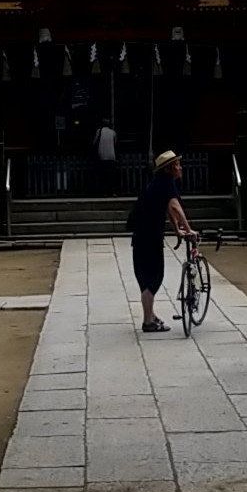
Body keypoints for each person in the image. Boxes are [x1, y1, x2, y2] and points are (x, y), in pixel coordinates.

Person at [131, 150, 197, 332]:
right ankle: (148, 322)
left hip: (141, 235)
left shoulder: (156, 183)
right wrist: (188, 229)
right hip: (150, 236)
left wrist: (178, 230)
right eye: (177, 165)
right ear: (170, 168)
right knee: (153, 277)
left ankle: (150, 315)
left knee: (146, 278)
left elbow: (167, 210)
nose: (180, 168)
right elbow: (175, 206)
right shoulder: (167, 183)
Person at [93, 118, 118, 196]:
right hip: (111, 155)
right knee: (111, 175)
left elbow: (94, 142)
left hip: (102, 155)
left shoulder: (99, 131)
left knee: (103, 175)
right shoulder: (113, 132)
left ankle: (104, 192)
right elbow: (115, 143)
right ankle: (112, 191)